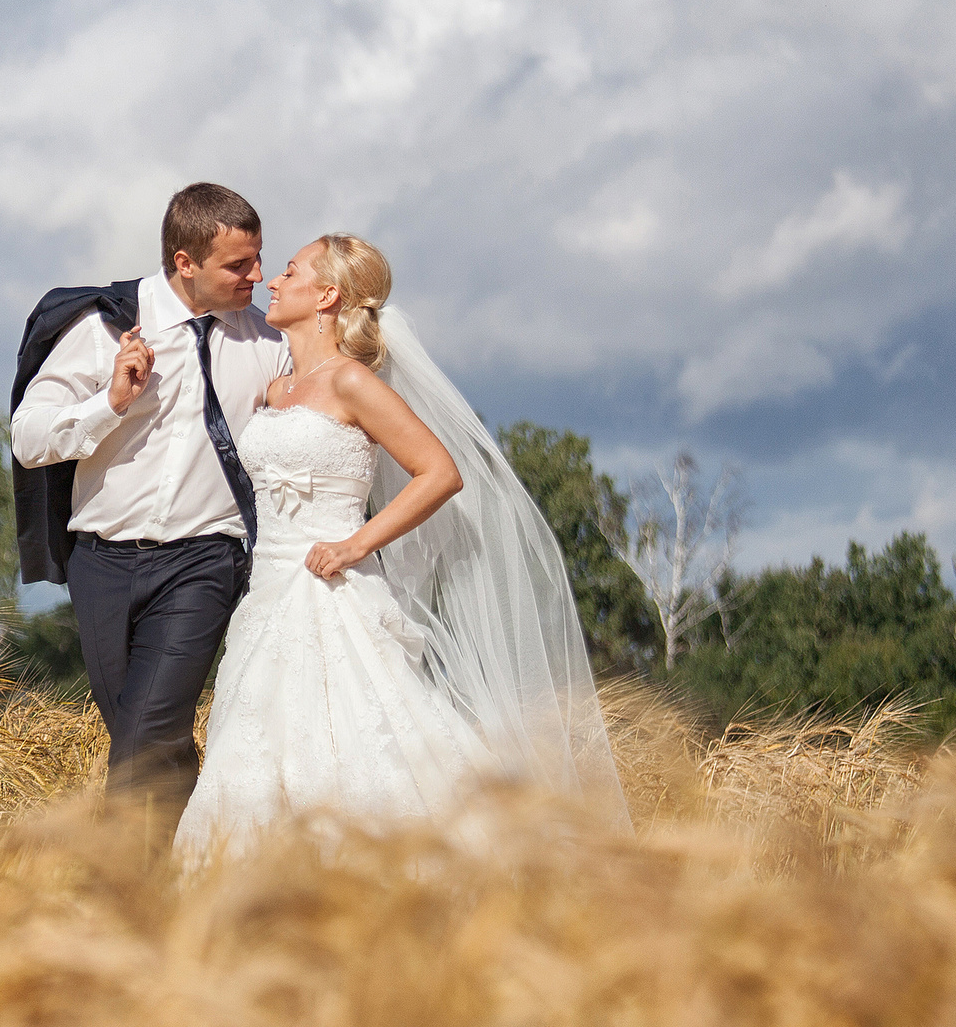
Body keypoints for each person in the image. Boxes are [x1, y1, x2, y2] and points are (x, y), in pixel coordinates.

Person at [174, 234, 628, 863]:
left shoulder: (353, 383)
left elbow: (441, 472)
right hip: (267, 596)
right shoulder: (275, 391)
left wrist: (355, 544)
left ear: (327, 295)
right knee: (257, 749)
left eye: (288, 271)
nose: (272, 282)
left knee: (357, 745)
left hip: (329, 590)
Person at [9, 183, 288, 841]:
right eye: (238, 265)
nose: (258, 276)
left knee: (146, 731)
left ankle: (116, 897)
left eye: (259, 259)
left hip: (204, 561)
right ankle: (188, 870)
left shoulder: (269, 342)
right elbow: (28, 439)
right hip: (101, 563)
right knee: (147, 734)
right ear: (184, 262)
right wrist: (110, 401)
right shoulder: (102, 327)